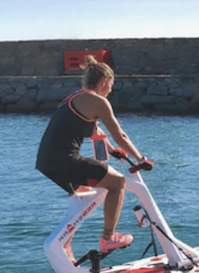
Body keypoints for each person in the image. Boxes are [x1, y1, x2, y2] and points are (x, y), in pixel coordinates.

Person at [36, 55, 153, 254]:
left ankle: (64, 244)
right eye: (111, 85)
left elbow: (96, 133)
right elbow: (120, 134)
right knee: (117, 183)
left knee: (84, 196)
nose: (111, 90)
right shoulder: (98, 101)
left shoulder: (74, 98)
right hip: (65, 160)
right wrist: (141, 159)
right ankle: (109, 238)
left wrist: (111, 150)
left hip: (46, 162)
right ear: (104, 82)